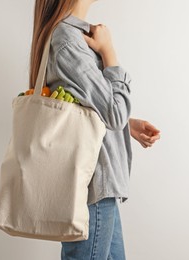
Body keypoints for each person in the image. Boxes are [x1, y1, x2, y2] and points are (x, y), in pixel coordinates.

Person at [29, 0, 161, 259]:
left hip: (97, 183)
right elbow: (113, 112)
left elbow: (87, 107)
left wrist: (126, 125)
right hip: (93, 184)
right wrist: (109, 53)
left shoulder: (73, 34)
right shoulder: (68, 38)